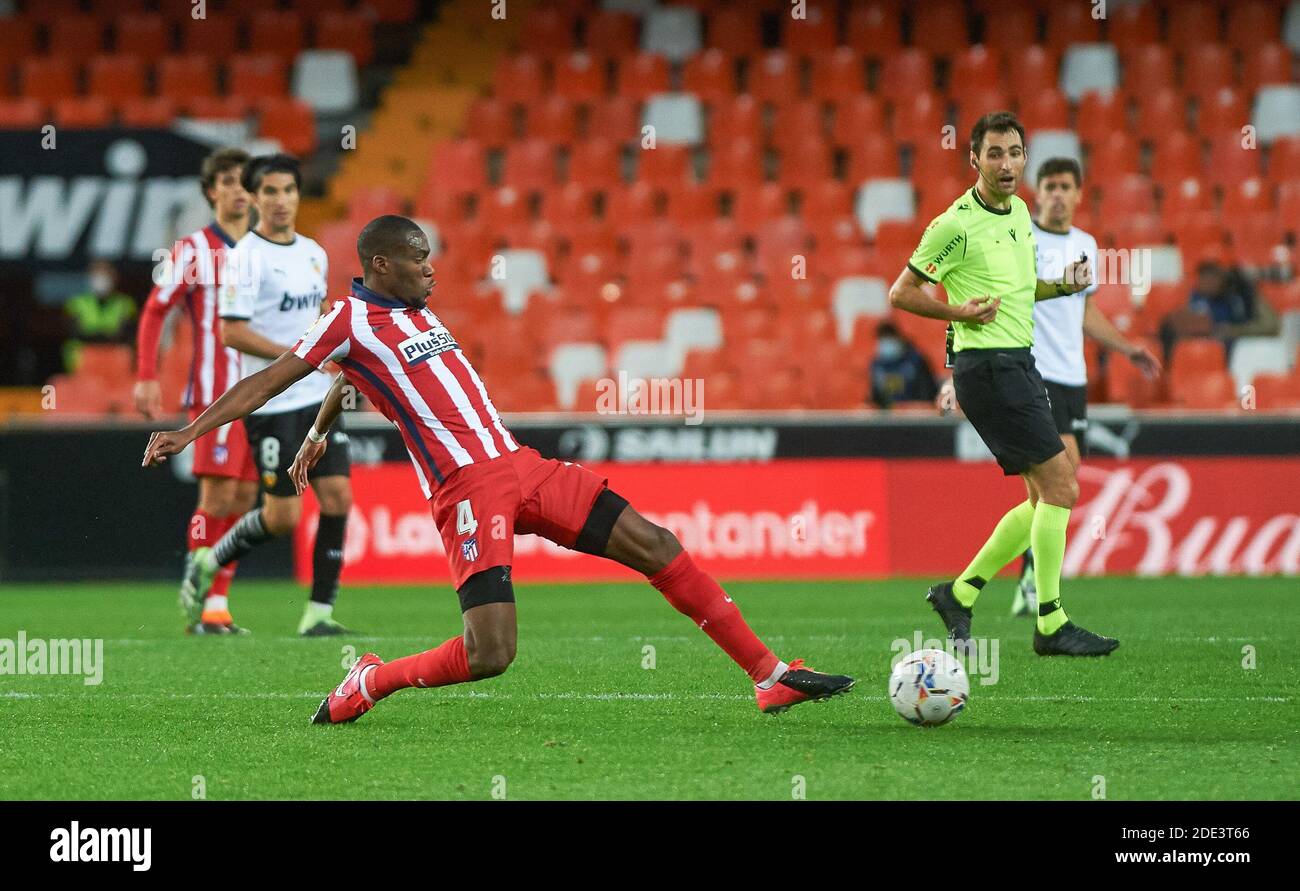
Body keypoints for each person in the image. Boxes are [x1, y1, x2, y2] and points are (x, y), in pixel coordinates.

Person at [142, 214, 855, 722]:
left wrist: (319, 433)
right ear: (382, 264)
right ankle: (371, 679)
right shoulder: (347, 319)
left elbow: (345, 382)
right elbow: (269, 379)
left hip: (521, 464)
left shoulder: (415, 313)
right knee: (492, 653)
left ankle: (769, 675)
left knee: (658, 544)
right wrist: (189, 428)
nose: (432, 267)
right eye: (419, 257)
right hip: (466, 489)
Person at [887, 111, 1119, 657]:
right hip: (987, 368)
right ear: (974, 160)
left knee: (1045, 495)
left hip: (1018, 362)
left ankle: (960, 594)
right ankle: (1049, 621)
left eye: (1015, 152)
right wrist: (958, 311)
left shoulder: (1017, 213)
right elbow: (901, 293)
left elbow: (1018, 291)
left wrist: (1063, 286)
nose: (1007, 163)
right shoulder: (955, 225)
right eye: (995, 153)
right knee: (1063, 486)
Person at [186, 153, 354, 637]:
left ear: (299, 196)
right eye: (271, 192)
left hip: (317, 396)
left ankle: (318, 614)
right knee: (283, 517)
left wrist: (336, 350)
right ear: (255, 198)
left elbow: (322, 310)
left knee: (339, 497)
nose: (281, 201)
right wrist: (297, 355)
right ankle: (211, 561)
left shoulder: (314, 252)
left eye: (289, 191)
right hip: (274, 402)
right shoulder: (244, 259)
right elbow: (231, 333)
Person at [1008, 157, 1162, 616]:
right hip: (1034, 371)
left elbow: (1084, 312)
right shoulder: (1023, 237)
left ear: (1079, 194)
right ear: (1037, 192)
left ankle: (1026, 577)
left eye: (1065, 187)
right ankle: (1034, 584)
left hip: (1073, 376)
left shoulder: (1086, 244)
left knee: (1047, 487)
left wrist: (1126, 347)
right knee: (1063, 471)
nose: (1057, 194)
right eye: (1049, 186)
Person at [134, 147, 258, 635]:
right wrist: (147, 373)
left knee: (247, 498)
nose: (237, 190)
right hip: (212, 395)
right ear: (211, 192)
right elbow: (155, 309)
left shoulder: (269, 248)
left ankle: (217, 604)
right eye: (226, 181)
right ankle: (199, 590)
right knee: (218, 494)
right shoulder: (192, 250)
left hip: (263, 394)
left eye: (244, 181)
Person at [1161, 260, 1279, 360]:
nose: (1209, 282)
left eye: (1215, 276)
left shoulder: (1238, 297)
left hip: (1240, 354)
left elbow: (1270, 325)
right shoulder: (1194, 300)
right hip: (1204, 356)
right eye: (1205, 276)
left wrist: (1250, 290)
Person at [64, 260, 137, 372]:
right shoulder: (76, 304)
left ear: (114, 277)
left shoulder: (125, 304)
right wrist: (108, 334)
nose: (101, 279)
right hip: (82, 364)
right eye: (96, 274)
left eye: (105, 274)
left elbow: (125, 335)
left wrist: (92, 334)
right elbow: (76, 334)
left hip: (116, 365)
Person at [869, 321, 938, 408]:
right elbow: (875, 397)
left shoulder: (915, 361)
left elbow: (928, 392)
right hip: (888, 416)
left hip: (915, 413)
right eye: (882, 339)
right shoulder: (877, 366)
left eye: (888, 338)